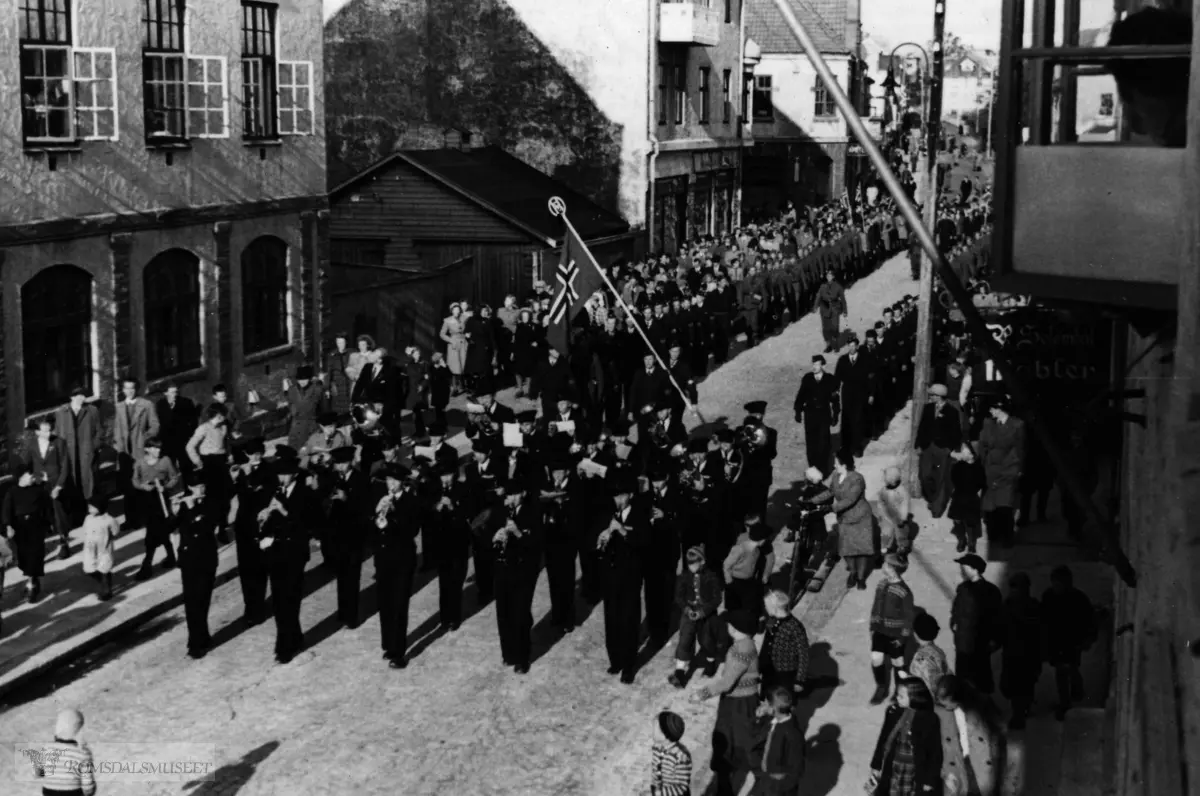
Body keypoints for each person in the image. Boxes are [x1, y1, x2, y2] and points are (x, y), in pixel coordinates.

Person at [691, 610, 764, 796]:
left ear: (737, 628)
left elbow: (727, 682)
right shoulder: (743, 644)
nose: (728, 626)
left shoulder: (743, 649)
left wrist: (702, 694)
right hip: (738, 701)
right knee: (729, 743)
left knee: (738, 744)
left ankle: (760, 784)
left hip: (739, 705)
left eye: (730, 624)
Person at [257, 455, 315, 664]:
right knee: (280, 600)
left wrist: (282, 510)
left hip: (295, 553)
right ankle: (294, 638)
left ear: (295, 475)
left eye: (286, 474)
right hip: (276, 553)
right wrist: (265, 519)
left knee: (290, 600)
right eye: (280, 474)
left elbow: (306, 523)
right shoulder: (276, 492)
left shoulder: (304, 493)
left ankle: (285, 647)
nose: (282, 478)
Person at [372, 463, 422, 669]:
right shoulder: (381, 499)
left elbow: (412, 530)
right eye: (389, 481)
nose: (391, 485)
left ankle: (399, 653)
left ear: (402, 482)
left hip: (402, 560)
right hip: (384, 559)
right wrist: (377, 514)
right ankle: (389, 645)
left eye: (395, 481)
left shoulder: (411, 501)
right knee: (385, 603)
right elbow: (371, 527)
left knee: (399, 605)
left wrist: (392, 519)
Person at [600, 474, 648, 684]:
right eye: (615, 496)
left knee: (628, 619)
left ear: (630, 495)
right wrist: (601, 539)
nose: (617, 500)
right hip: (610, 574)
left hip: (630, 575)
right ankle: (616, 659)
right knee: (611, 618)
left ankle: (628, 665)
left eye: (621, 496)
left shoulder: (640, 514)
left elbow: (644, 542)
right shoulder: (609, 513)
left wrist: (621, 530)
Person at [492, 480, 542, 674]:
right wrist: (495, 536)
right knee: (503, 612)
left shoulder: (533, 512)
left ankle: (522, 657)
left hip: (523, 571)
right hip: (503, 568)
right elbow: (486, 533)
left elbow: (536, 543)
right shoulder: (501, 512)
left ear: (522, 494)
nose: (509, 499)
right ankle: (509, 653)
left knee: (520, 613)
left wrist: (518, 533)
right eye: (507, 496)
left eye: (513, 495)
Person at [867, 678, 943, 796]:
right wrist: (876, 765)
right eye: (897, 694)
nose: (897, 698)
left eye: (901, 696)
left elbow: (935, 752)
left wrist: (930, 780)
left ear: (914, 697)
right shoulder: (893, 712)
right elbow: (883, 739)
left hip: (914, 770)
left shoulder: (930, 719)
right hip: (893, 765)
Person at [935, 674, 1006, 796]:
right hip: (958, 762)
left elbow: (1000, 728)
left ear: (955, 697)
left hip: (980, 760)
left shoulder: (981, 703)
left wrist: (994, 755)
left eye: (946, 703)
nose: (945, 707)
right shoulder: (941, 712)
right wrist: (944, 772)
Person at [321, 446, 369, 628]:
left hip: (354, 535)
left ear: (350, 462)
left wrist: (346, 499)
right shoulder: (333, 478)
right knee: (341, 576)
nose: (340, 467)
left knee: (352, 576)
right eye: (337, 464)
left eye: (343, 463)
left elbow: (364, 507)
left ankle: (352, 616)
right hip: (337, 535)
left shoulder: (360, 479)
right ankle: (343, 611)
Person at [53, 387, 103, 558]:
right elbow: (58, 434)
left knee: (88, 488)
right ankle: (65, 539)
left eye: (83, 395)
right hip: (68, 458)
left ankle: (90, 529)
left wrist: (93, 448)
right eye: (78, 395)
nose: (82, 398)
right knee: (69, 490)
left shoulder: (92, 410)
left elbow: (99, 431)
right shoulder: (61, 412)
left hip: (86, 456)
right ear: (71, 397)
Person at [1041, 565, 1096, 721]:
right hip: (1056, 642)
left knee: (1066, 670)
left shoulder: (1079, 598)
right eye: (1055, 582)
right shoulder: (1048, 596)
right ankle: (1075, 691)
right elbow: (1044, 620)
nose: (1057, 586)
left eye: (1061, 583)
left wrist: (1087, 640)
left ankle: (1066, 703)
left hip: (1072, 642)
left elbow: (1090, 621)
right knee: (1065, 670)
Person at [174, 480, 218, 658]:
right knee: (191, 603)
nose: (201, 488)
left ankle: (200, 639)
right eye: (197, 486)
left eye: (202, 485)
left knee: (202, 601)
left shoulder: (211, 503)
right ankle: (196, 641)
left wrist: (193, 508)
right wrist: (174, 513)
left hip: (206, 560)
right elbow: (170, 527)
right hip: (188, 560)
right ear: (190, 488)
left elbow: (207, 527)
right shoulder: (185, 505)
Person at [230, 438, 271, 626]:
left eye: (259, 452)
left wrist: (247, 480)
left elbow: (263, 495)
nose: (256, 456)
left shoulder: (268, 470)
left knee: (259, 568)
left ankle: (259, 608)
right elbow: (229, 493)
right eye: (252, 453)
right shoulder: (240, 471)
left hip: (260, 524)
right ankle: (249, 607)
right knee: (245, 569)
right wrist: (235, 478)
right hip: (243, 524)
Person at [671, 545, 724, 688]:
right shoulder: (684, 576)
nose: (691, 567)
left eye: (694, 564)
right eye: (689, 564)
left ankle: (711, 663)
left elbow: (717, 598)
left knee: (706, 640)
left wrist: (703, 612)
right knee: (685, 639)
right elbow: (679, 596)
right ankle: (680, 673)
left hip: (706, 614)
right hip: (689, 611)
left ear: (702, 562)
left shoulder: (711, 576)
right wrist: (687, 610)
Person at [950, 553, 1003, 695]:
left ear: (975, 569)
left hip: (980, 642)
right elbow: (956, 608)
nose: (961, 571)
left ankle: (983, 708)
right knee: (962, 676)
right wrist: (954, 623)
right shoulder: (962, 588)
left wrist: (995, 640)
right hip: (962, 641)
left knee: (980, 677)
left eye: (964, 568)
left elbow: (997, 617)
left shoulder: (990, 591)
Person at [21, 417, 73, 558]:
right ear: (37, 432)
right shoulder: (31, 444)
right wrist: (28, 477)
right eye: (44, 431)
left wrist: (59, 487)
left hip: (55, 484)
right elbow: (26, 464)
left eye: (49, 430)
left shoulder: (59, 442)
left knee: (59, 515)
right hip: (39, 484)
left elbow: (65, 467)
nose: (48, 433)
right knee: (39, 515)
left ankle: (64, 543)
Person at [977, 396, 1025, 548]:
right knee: (990, 506)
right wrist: (984, 464)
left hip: (1008, 469)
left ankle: (1007, 537)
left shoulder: (1017, 425)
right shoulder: (988, 423)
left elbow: (1020, 450)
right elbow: (982, 445)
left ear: (1001, 409)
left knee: (1004, 506)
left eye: (992, 408)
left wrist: (1017, 469)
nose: (990, 411)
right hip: (990, 469)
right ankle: (994, 533)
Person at [114, 377, 160, 529]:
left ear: (137, 389)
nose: (129, 391)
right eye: (126, 388)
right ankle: (130, 519)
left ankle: (145, 518)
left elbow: (155, 425)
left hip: (140, 451)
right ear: (123, 390)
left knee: (142, 484)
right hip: (125, 453)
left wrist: (144, 438)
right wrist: (119, 446)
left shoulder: (146, 405)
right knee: (128, 487)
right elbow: (117, 429)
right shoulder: (119, 406)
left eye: (132, 388)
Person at [999, 571, 1043, 729]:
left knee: (1023, 686)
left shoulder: (1033, 607)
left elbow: (1039, 632)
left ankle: (1019, 716)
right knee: (1010, 686)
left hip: (1028, 654)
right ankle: (1022, 710)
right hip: (1011, 653)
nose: (1014, 591)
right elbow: (1001, 627)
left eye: (1017, 588)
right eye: (1013, 588)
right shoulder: (1008, 605)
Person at [131, 436, 180, 578]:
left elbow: (174, 477)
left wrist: (165, 487)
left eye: (159, 448)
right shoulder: (140, 463)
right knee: (160, 531)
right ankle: (171, 557)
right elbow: (135, 480)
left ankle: (147, 566)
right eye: (155, 448)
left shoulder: (165, 461)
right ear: (147, 449)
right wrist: (142, 486)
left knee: (153, 534)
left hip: (161, 500)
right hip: (147, 501)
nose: (158, 450)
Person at [869, 553, 915, 704]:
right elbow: (876, 606)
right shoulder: (882, 584)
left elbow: (909, 617)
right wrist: (873, 626)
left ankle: (899, 690)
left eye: (885, 564)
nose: (883, 566)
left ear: (892, 569)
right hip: (880, 630)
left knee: (898, 662)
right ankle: (881, 687)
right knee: (876, 658)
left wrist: (903, 637)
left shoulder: (904, 591)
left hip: (895, 633)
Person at [3, 465, 51, 602]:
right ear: (21, 477)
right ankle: (33, 579)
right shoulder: (12, 492)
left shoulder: (38, 490)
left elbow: (47, 506)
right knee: (24, 558)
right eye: (30, 475)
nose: (32, 477)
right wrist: (8, 526)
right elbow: (7, 510)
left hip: (36, 527)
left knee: (34, 556)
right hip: (21, 529)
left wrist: (48, 524)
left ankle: (31, 586)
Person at [914, 384, 963, 518]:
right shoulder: (928, 408)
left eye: (933, 395)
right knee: (924, 476)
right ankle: (931, 497)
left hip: (942, 449)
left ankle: (937, 508)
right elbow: (922, 427)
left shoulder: (952, 412)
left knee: (940, 478)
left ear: (940, 397)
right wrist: (917, 444)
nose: (930, 397)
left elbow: (956, 433)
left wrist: (951, 450)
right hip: (927, 447)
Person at [749, 686, 807, 796]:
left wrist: (780, 786)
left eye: (766, 703)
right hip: (765, 779)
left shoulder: (792, 734)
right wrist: (758, 719)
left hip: (778, 786)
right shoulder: (771, 721)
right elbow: (756, 739)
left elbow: (797, 767)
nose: (762, 705)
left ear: (773, 708)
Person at [186, 404, 231, 543]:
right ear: (217, 415)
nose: (224, 418)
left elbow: (225, 442)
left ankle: (222, 530)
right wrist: (198, 462)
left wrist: (228, 454)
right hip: (209, 465)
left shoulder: (224, 427)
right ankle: (208, 532)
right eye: (222, 415)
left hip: (222, 464)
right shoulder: (203, 428)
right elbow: (189, 446)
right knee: (211, 501)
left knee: (226, 500)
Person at [831, 449, 875, 589]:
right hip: (845, 519)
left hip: (860, 518)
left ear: (843, 464)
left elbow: (851, 498)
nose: (834, 465)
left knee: (861, 550)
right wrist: (814, 500)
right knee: (846, 550)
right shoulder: (835, 477)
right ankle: (853, 572)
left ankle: (861, 578)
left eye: (836, 462)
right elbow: (829, 492)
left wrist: (833, 508)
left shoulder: (857, 478)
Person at [30, 708, 97, 796]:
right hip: (73, 793)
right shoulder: (83, 753)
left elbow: (36, 773)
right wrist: (90, 792)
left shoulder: (47, 748)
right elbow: (88, 786)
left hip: (49, 792)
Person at [722, 512, 774, 622]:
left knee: (753, 600)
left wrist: (766, 574)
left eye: (756, 525)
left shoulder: (763, 539)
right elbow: (729, 563)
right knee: (735, 603)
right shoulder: (741, 539)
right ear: (745, 526)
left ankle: (755, 617)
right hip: (737, 577)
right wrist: (729, 580)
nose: (752, 528)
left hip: (754, 575)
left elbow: (770, 557)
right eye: (749, 526)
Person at [793, 355, 839, 476]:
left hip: (824, 414)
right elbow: (801, 395)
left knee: (824, 443)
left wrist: (835, 415)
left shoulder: (830, 379)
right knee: (811, 443)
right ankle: (813, 469)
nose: (814, 367)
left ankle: (823, 469)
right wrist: (797, 411)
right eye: (813, 364)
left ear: (823, 366)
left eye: (817, 364)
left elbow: (835, 400)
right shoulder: (807, 378)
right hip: (810, 414)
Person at [759, 590, 810, 698]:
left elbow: (803, 653)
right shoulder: (771, 621)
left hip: (786, 673)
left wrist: (799, 680)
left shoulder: (794, 627)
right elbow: (766, 645)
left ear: (774, 608)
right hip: (769, 670)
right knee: (767, 697)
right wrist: (759, 665)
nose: (765, 608)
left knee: (783, 699)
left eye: (766, 606)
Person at [835, 336, 874, 457]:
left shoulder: (864, 359)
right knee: (846, 419)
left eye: (853, 345)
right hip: (847, 393)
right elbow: (837, 377)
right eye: (849, 345)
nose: (851, 348)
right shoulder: (842, 360)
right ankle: (846, 446)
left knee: (858, 420)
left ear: (857, 346)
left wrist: (871, 394)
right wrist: (835, 391)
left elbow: (871, 379)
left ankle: (857, 447)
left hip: (860, 393)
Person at [948, 443, 986, 554]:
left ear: (973, 454)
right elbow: (953, 477)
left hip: (971, 498)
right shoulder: (958, 466)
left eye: (967, 451)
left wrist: (973, 489)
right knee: (958, 520)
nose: (963, 453)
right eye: (963, 451)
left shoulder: (978, 468)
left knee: (971, 522)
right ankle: (962, 539)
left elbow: (981, 482)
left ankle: (971, 543)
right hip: (959, 496)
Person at [81, 494, 120, 600]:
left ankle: (107, 590)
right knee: (89, 568)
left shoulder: (109, 520)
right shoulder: (88, 518)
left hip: (104, 549)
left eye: (92, 507)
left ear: (100, 507)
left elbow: (115, 531)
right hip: (90, 549)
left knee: (105, 568)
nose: (89, 508)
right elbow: (85, 529)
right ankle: (102, 580)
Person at [155, 382, 198, 480]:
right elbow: (160, 422)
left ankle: (189, 488)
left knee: (186, 465)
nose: (175, 394)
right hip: (167, 441)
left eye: (176, 392)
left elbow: (193, 420)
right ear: (165, 393)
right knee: (169, 465)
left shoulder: (186, 402)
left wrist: (189, 434)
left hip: (182, 439)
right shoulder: (160, 405)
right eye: (172, 392)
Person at [905, 613, 949, 701]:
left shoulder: (920, 657)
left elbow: (921, 679)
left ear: (916, 634)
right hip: (941, 690)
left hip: (927, 698)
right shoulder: (938, 651)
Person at [649, 711, 693, 796]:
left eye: (654, 728)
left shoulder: (681, 756)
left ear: (664, 735)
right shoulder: (657, 748)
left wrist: (658, 793)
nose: (652, 731)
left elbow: (681, 786)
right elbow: (656, 772)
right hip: (659, 790)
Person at [283, 365, 324, 450]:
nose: (302, 382)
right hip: (296, 425)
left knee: (311, 450)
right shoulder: (292, 390)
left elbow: (322, 405)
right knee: (294, 450)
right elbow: (290, 403)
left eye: (304, 379)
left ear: (309, 379)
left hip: (311, 424)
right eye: (300, 379)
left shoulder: (316, 389)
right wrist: (293, 410)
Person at [876, 466, 913, 555]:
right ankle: (884, 547)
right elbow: (881, 502)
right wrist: (880, 513)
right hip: (887, 516)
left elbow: (904, 504)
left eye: (886, 479)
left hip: (898, 517)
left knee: (901, 533)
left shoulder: (902, 491)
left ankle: (902, 547)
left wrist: (903, 517)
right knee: (885, 533)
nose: (885, 481)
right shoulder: (883, 490)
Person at [323, 331, 356, 421]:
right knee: (338, 411)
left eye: (342, 342)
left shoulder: (352, 353)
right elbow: (328, 372)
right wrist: (327, 388)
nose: (340, 345)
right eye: (338, 342)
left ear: (346, 342)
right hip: (337, 385)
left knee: (351, 409)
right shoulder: (332, 355)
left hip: (349, 384)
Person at [813, 270, 847, 353]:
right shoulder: (822, 286)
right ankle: (828, 345)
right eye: (827, 275)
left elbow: (843, 300)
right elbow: (818, 297)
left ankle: (835, 343)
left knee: (835, 327)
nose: (828, 277)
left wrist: (845, 311)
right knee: (826, 329)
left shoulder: (838, 287)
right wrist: (815, 306)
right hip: (824, 309)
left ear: (833, 276)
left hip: (835, 309)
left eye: (830, 275)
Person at [440, 302, 469, 395]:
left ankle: (464, 385)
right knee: (454, 367)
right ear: (451, 311)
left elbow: (469, 328)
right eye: (454, 309)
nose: (457, 311)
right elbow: (442, 334)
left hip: (464, 343)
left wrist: (468, 334)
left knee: (464, 365)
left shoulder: (465, 318)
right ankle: (454, 387)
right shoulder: (447, 320)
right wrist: (451, 340)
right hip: (454, 345)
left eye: (458, 309)